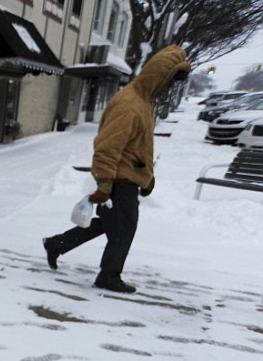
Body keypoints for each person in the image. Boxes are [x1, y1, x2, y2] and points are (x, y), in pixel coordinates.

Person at [42, 45, 191, 293]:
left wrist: (146, 176)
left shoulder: (142, 100)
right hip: (119, 179)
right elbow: (107, 145)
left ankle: (56, 244)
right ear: (159, 76)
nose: (168, 87)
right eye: (168, 81)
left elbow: (137, 144)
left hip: (127, 177)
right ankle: (108, 276)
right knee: (124, 229)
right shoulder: (130, 104)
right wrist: (104, 182)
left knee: (110, 224)